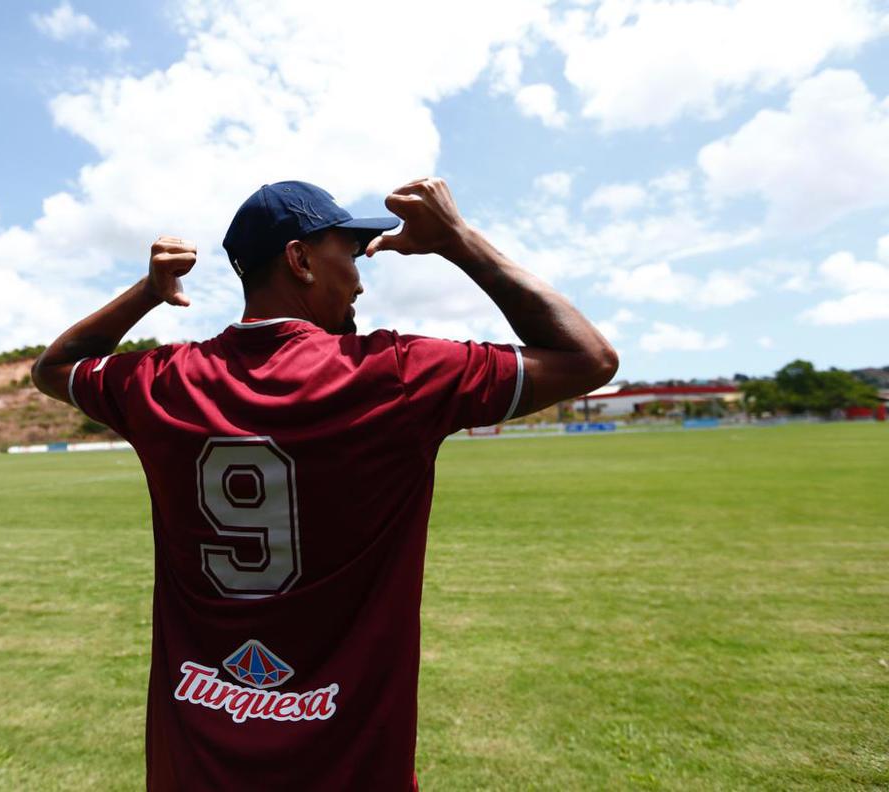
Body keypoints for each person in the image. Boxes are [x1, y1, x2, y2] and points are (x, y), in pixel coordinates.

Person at [31, 177, 618, 790]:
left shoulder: (162, 382)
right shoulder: (393, 375)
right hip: (347, 766)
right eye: (348, 253)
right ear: (300, 259)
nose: (361, 279)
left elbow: (54, 369)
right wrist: (461, 242)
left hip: (195, 762)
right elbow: (589, 358)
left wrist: (148, 293)